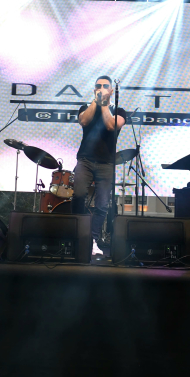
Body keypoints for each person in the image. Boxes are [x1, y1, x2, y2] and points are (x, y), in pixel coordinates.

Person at [72, 75, 126, 256]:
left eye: (105, 86)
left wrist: (104, 104)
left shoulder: (119, 111)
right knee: (79, 194)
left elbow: (111, 125)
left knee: (102, 204)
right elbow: (84, 121)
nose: (101, 88)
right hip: (85, 160)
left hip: (106, 163)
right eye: (98, 86)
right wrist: (97, 102)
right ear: (94, 89)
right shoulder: (85, 108)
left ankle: (92, 239)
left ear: (111, 90)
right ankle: (77, 234)